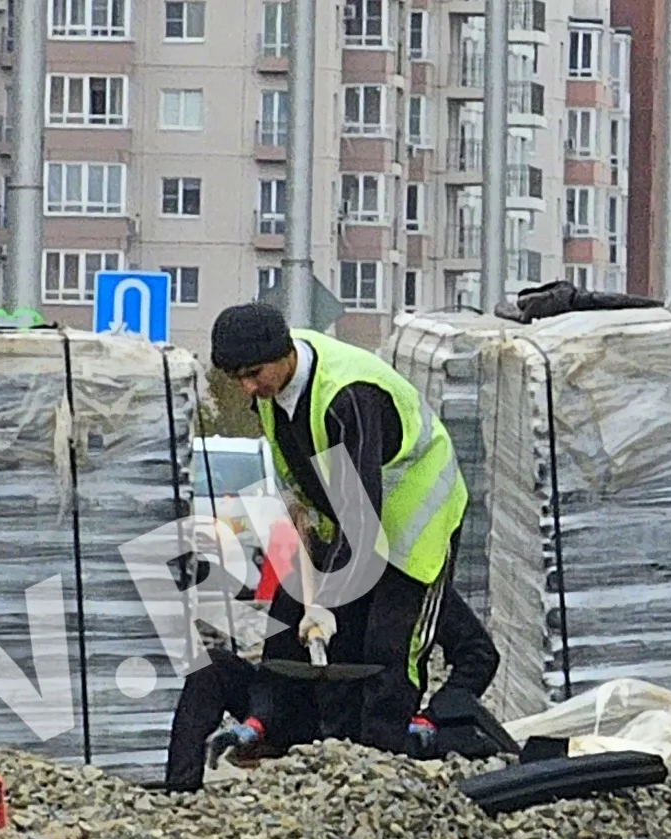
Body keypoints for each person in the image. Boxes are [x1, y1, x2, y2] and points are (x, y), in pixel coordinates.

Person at [183, 299, 506, 782]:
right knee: (332, 645)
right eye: (238, 380)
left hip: (414, 516)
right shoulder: (275, 396)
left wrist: (326, 600)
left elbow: (364, 523)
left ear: (285, 353)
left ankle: (384, 771)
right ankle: (337, 764)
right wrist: (306, 554)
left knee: (390, 648)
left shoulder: (347, 396)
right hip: (350, 523)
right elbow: (307, 489)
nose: (249, 389)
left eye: (254, 374)